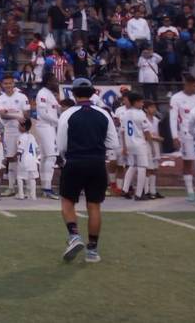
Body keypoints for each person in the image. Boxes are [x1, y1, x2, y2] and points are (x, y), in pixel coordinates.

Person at [57, 77, 119, 264]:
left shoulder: (67, 114)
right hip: (97, 163)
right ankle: (92, 250)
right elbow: (113, 144)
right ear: (92, 93)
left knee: (67, 201)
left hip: (75, 161)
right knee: (94, 206)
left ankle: (74, 235)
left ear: (74, 94)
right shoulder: (104, 113)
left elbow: (61, 145)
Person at [168, 75, 195, 202]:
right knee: (188, 162)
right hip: (186, 135)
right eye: (194, 86)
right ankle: (190, 192)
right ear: (186, 84)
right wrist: (175, 136)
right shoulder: (176, 98)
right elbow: (173, 118)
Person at [0, 77, 30, 193]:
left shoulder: (22, 97)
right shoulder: (0, 98)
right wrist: (16, 116)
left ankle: (24, 186)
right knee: (10, 158)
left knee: (22, 157)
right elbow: (2, 115)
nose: (8, 85)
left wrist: (16, 116)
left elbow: (26, 114)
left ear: (13, 84)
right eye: (6, 83)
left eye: (10, 83)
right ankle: (11, 187)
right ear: (2, 85)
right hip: (9, 131)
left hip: (21, 130)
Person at [33, 74, 63, 199]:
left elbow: (58, 110)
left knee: (46, 157)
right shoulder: (42, 94)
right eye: (54, 80)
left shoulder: (50, 94)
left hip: (50, 127)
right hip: (45, 126)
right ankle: (47, 188)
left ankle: (46, 187)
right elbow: (42, 114)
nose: (56, 82)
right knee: (50, 157)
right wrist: (59, 121)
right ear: (48, 81)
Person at [119, 92, 150, 201]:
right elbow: (146, 130)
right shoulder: (141, 113)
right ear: (136, 102)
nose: (142, 104)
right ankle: (139, 194)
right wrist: (149, 140)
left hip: (129, 143)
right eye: (141, 102)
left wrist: (124, 146)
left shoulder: (125, 113)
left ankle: (125, 189)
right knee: (142, 167)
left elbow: (122, 131)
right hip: (139, 143)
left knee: (132, 165)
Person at [15, 118, 39, 200]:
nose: (18, 127)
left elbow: (20, 150)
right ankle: (33, 195)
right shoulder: (32, 136)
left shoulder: (21, 137)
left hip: (24, 160)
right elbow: (36, 148)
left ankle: (21, 194)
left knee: (20, 177)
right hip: (33, 160)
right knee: (32, 178)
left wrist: (14, 157)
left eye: (19, 125)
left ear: (24, 127)